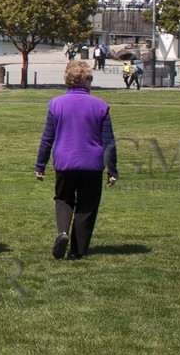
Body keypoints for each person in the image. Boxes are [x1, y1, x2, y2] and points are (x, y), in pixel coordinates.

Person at [35, 60, 118, 260]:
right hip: (92, 164)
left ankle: (63, 233)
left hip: (65, 162)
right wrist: (112, 169)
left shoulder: (56, 104)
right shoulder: (100, 105)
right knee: (87, 205)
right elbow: (109, 142)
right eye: (90, 78)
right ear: (85, 80)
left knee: (63, 199)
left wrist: (40, 165)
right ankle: (77, 250)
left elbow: (48, 138)